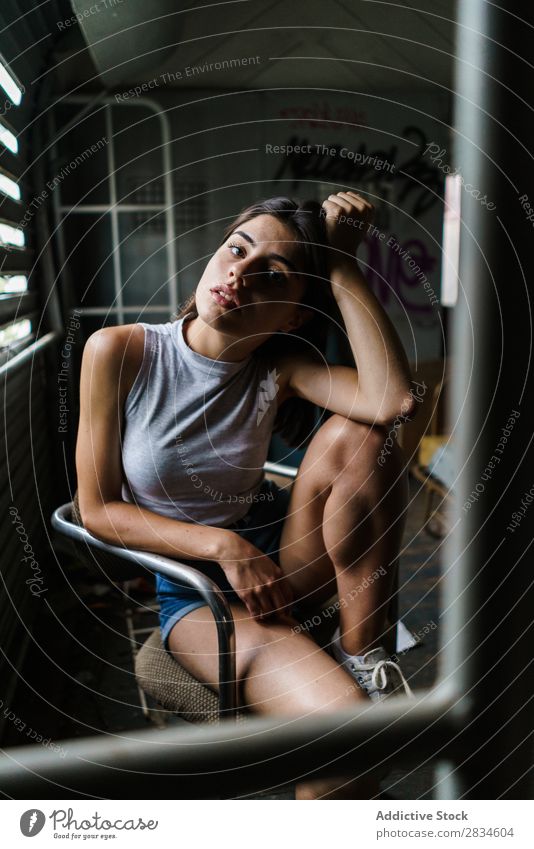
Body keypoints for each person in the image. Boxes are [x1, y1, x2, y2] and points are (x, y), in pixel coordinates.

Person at [76, 190, 416, 799]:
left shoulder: (276, 366)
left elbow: (393, 401)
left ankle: (368, 655)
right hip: (198, 594)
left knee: (363, 433)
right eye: (237, 249)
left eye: (271, 276)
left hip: (289, 558)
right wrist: (224, 547)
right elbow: (97, 508)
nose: (239, 273)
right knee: (351, 752)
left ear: (294, 317)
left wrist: (341, 264)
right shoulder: (121, 352)